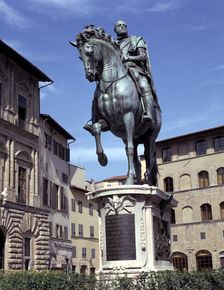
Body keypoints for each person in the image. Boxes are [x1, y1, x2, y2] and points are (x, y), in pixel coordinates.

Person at [114, 20, 160, 126]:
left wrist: (128, 57)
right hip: (117, 73)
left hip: (135, 69)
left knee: (144, 86)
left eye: (124, 25)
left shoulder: (136, 39)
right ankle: (95, 119)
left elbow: (143, 57)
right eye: (119, 26)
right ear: (115, 30)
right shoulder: (112, 43)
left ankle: (148, 113)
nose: (122, 27)